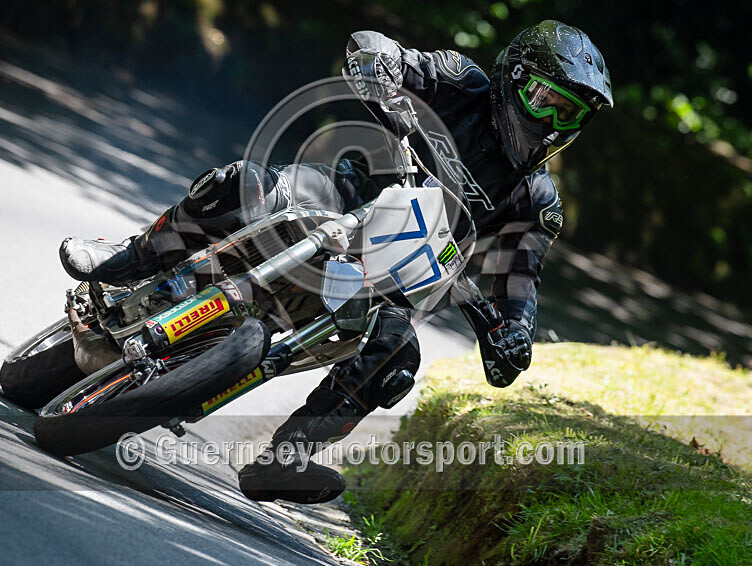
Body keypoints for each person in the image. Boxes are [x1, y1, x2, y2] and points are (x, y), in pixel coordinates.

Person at [60, 20, 612, 504]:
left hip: (397, 277)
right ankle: (132, 257)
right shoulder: (461, 81)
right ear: (514, 79)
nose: (552, 121)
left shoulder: (537, 201)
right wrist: (381, 65)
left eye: (569, 114)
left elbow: (521, 274)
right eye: (545, 99)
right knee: (238, 186)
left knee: (396, 359)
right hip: (344, 197)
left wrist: (514, 333)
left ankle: (288, 457)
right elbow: (381, 50)